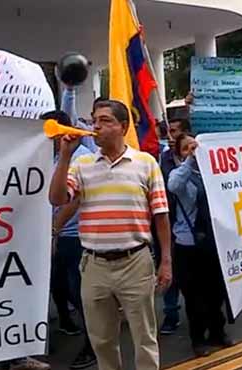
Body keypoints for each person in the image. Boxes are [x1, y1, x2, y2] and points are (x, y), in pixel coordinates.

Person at [48, 100, 172, 370]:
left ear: (123, 127)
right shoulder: (81, 164)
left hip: (136, 263)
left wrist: (166, 262)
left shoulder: (145, 163)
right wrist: (66, 155)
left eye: (105, 120)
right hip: (94, 266)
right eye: (94, 120)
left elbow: (161, 215)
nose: (96, 126)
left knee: (144, 338)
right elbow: (56, 197)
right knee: (102, 340)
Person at [167, 132, 235, 357]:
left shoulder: (217, 173)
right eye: (185, 148)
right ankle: (198, 339)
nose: (192, 151)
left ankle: (218, 331)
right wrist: (191, 160)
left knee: (216, 293)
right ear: (179, 154)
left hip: (215, 244)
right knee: (194, 297)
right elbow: (173, 185)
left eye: (195, 147)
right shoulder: (182, 175)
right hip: (189, 245)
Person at [42, 110, 97, 369]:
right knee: (57, 286)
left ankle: (93, 343)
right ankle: (66, 322)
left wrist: (54, 229)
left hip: (74, 237)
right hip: (55, 234)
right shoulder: (52, 157)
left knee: (80, 293)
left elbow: (72, 200)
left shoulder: (82, 158)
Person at [158, 117, 190, 335]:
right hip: (166, 222)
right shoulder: (163, 158)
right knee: (168, 271)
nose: (170, 136)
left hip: (190, 228)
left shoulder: (198, 158)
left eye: (175, 131)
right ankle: (171, 314)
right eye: (168, 131)